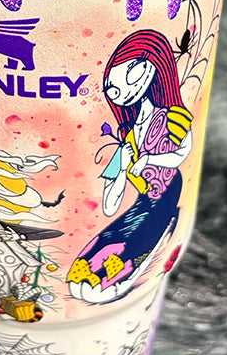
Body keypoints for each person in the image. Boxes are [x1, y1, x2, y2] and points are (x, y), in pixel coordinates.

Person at [66, 30, 192, 303]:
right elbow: (110, 206)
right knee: (114, 237)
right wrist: (121, 170)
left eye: (131, 72)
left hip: (168, 191)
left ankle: (121, 270)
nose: (115, 91)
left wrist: (149, 159)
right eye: (110, 86)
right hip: (144, 202)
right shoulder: (127, 140)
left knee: (136, 235)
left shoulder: (173, 116)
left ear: (149, 68)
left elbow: (181, 153)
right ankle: (100, 272)